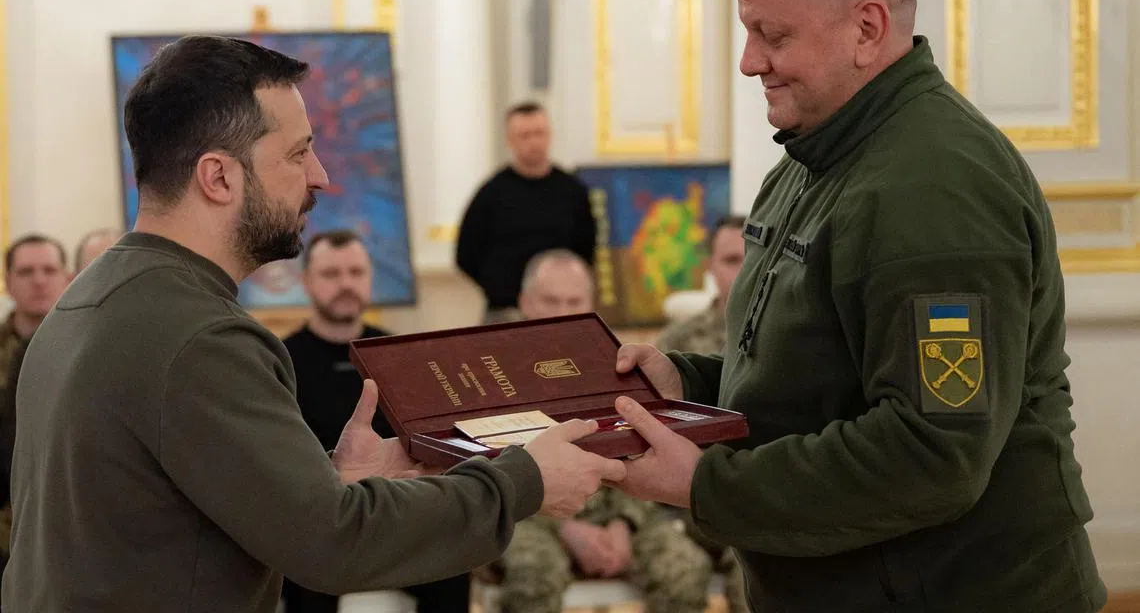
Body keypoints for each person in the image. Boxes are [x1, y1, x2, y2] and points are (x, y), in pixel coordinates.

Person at [3, 35, 625, 612]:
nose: (320, 176)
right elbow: (335, 546)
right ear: (219, 177)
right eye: (298, 154)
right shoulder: (200, 337)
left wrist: (329, 481)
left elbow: (157, 511)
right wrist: (525, 479)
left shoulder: (88, 300)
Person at [608, 0, 1106, 613]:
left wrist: (705, 486)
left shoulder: (936, 188)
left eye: (770, 34)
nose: (751, 62)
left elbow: (933, 451)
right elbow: (816, 380)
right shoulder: (813, 162)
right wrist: (680, 381)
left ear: (867, 29)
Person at [494, 249, 714, 613]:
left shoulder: (616, 368)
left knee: (685, 570)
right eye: (550, 301)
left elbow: (639, 452)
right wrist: (566, 531)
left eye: (574, 301)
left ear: (590, 304)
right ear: (525, 303)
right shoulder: (492, 373)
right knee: (536, 575)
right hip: (525, 516)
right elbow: (488, 473)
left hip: (614, 508)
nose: (563, 312)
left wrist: (622, 524)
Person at [280, 228, 470, 613]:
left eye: (355, 272)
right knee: (304, 566)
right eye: (331, 275)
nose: (345, 284)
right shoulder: (281, 361)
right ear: (306, 283)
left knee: (454, 556)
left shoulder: (398, 356)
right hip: (320, 521)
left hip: (395, 515)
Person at [653, 215, 748, 613]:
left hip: (752, 494)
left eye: (750, 258)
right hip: (683, 500)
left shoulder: (789, 340)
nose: (741, 271)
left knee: (754, 581)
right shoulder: (678, 343)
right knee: (677, 578)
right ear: (709, 266)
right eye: (729, 260)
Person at [456, 102, 596, 323]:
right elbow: (466, 254)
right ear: (509, 140)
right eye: (524, 135)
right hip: (505, 311)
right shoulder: (491, 193)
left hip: (562, 311)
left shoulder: (573, 191)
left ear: (550, 136)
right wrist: (499, 287)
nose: (533, 142)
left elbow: (586, 249)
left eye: (539, 133)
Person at [0, 235, 70, 580]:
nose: (39, 280)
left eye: (48, 270)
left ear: (68, 278)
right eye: (26, 272)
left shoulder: (92, 348)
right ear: (8, 281)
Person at [655, 215, 747, 358]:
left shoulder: (785, 336)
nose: (744, 271)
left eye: (753, 261)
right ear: (710, 265)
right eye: (732, 260)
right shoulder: (677, 342)